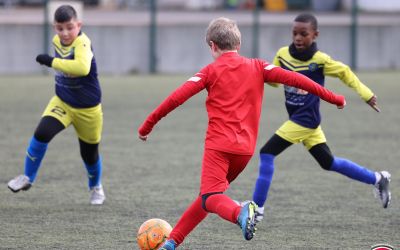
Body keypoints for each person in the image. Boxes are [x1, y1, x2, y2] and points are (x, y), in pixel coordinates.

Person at [138, 17, 345, 249]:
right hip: (244, 152)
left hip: (219, 148)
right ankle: (172, 242)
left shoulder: (209, 71)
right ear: (239, 43)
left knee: (210, 197)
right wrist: (334, 98)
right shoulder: (259, 66)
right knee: (208, 198)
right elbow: (300, 80)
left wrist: (147, 125)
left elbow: (176, 98)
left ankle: (240, 212)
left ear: (212, 45)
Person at [250, 13, 391, 223]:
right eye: (295, 33)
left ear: (315, 35)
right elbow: (275, 81)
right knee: (328, 162)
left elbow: (345, 73)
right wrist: (257, 75)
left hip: (306, 119)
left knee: (267, 152)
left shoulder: (320, 60)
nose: (298, 38)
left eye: (303, 34)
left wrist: (366, 94)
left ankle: (256, 209)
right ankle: (378, 179)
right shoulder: (282, 55)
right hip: (301, 119)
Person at [7, 5, 106, 205]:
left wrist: (51, 61)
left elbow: (82, 67)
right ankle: (27, 177)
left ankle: (96, 187)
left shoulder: (83, 42)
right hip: (62, 101)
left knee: (89, 153)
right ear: (54, 28)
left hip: (88, 109)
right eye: (60, 28)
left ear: (79, 25)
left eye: (70, 27)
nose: (65, 33)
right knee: (41, 133)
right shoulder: (57, 41)